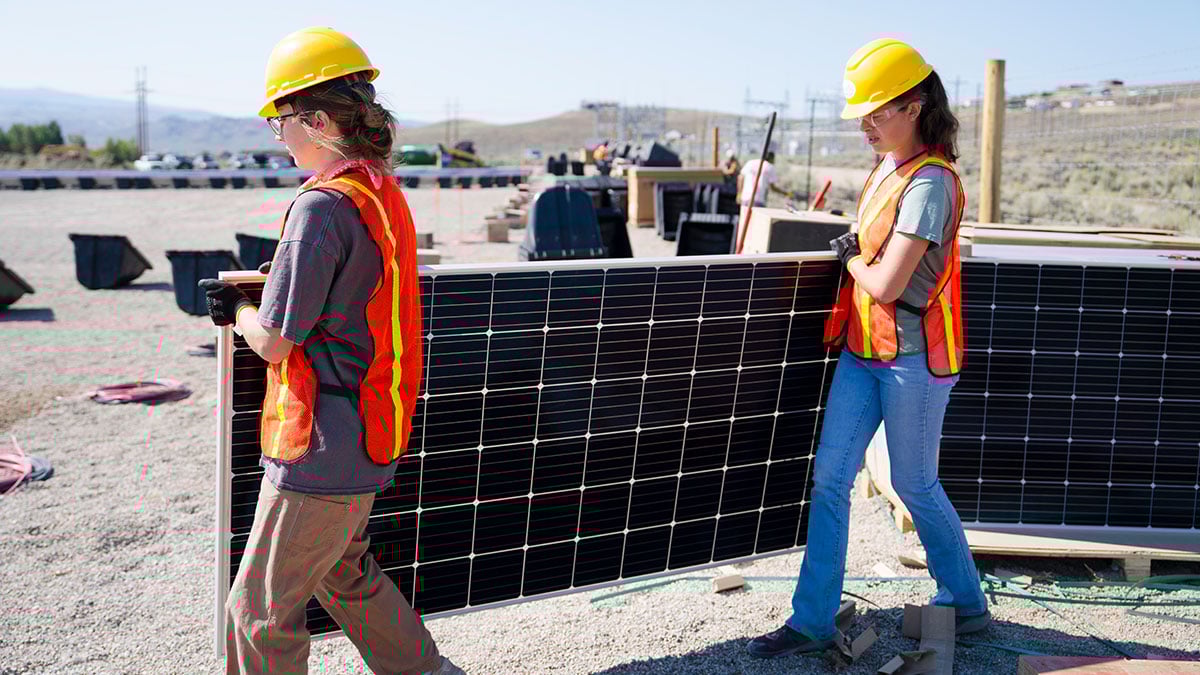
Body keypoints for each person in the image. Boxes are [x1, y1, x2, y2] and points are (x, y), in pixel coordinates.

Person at [197, 26, 464, 675]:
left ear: (315, 119)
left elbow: (275, 340)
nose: (279, 135)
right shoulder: (378, 192)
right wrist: (284, 278)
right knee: (345, 574)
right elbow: (353, 294)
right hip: (369, 433)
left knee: (257, 610)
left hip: (316, 447)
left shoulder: (320, 206)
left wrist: (236, 307)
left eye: (280, 120)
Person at [746, 38, 989, 659]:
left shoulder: (931, 184)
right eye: (862, 114)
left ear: (913, 107)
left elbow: (885, 281)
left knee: (914, 484)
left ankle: (965, 603)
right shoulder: (887, 168)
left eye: (877, 112)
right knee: (829, 480)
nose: (865, 125)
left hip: (916, 362)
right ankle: (811, 621)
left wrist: (850, 253)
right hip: (863, 354)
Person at [736, 149, 789, 224]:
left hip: (745, 199)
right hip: (758, 200)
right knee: (756, 224)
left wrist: (739, 193)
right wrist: (786, 193)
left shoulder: (750, 163)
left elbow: (740, 178)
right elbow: (773, 188)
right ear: (771, 158)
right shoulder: (769, 167)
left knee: (744, 222)